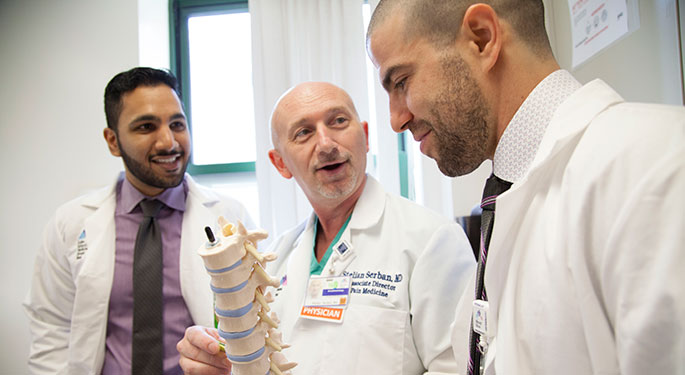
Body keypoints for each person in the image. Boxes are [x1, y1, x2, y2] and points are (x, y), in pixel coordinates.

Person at [366, 1, 685, 374]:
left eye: (401, 82)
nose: (395, 120)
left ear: (482, 38)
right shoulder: (504, 205)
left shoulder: (658, 167)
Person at [176, 81, 476, 374]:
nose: (326, 144)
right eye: (303, 132)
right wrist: (223, 364)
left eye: (338, 121)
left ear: (366, 136)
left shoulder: (432, 240)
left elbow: (457, 367)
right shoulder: (277, 257)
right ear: (280, 163)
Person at [23, 67, 255, 375]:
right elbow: (51, 327)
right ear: (113, 141)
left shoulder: (231, 216)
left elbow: (254, 321)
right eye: (146, 127)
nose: (168, 142)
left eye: (177, 124)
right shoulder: (70, 223)